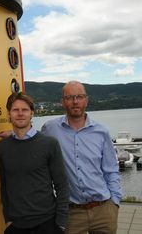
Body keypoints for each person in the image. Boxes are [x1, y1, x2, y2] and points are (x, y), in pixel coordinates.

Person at [41, 81, 121, 234]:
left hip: (103, 211)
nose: (75, 101)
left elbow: (111, 169)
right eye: (70, 97)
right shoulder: (50, 128)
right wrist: (15, 134)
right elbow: (33, 141)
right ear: (62, 102)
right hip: (71, 213)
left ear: (86, 100)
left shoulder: (101, 132)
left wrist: (114, 203)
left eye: (79, 96)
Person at [0, 92, 69, 234]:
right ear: (9, 114)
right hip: (16, 225)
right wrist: (8, 219)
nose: (20, 114)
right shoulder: (2, 147)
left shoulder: (49, 144)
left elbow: (62, 185)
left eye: (25, 110)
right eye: (15, 110)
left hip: (47, 222)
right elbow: (4, 185)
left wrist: (61, 223)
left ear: (32, 114)